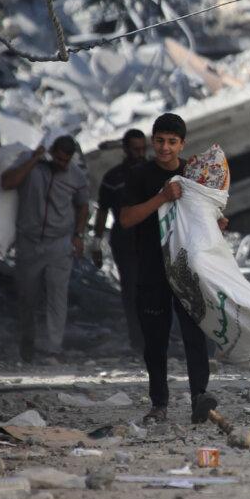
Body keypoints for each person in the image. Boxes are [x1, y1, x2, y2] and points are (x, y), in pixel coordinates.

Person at [119, 113, 220, 425]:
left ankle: (199, 398)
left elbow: (208, 216)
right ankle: (159, 403)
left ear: (182, 144)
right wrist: (161, 197)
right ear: (153, 141)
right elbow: (126, 219)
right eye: (160, 141)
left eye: (172, 142)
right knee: (155, 340)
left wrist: (219, 224)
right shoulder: (139, 175)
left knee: (195, 335)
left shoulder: (194, 174)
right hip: (151, 270)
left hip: (187, 269)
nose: (165, 148)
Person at [0, 135, 90, 363]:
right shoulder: (30, 165)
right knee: (27, 296)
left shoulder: (75, 175)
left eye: (65, 160)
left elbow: (82, 205)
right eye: (57, 158)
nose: (61, 164)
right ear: (50, 152)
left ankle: (53, 349)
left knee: (57, 296)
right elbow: (7, 182)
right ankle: (27, 342)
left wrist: (78, 235)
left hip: (59, 243)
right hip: (29, 242)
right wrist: (34, 159)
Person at [91, 128, 147, 352]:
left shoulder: (155, 171)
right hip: (125, 241)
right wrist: (96, 241)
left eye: (143, 149)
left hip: (152, 240)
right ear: (125, 149)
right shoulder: (113, 178)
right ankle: (138, 341)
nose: (140, 154)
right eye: (135, 150)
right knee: (132, 292)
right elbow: (102, 211)